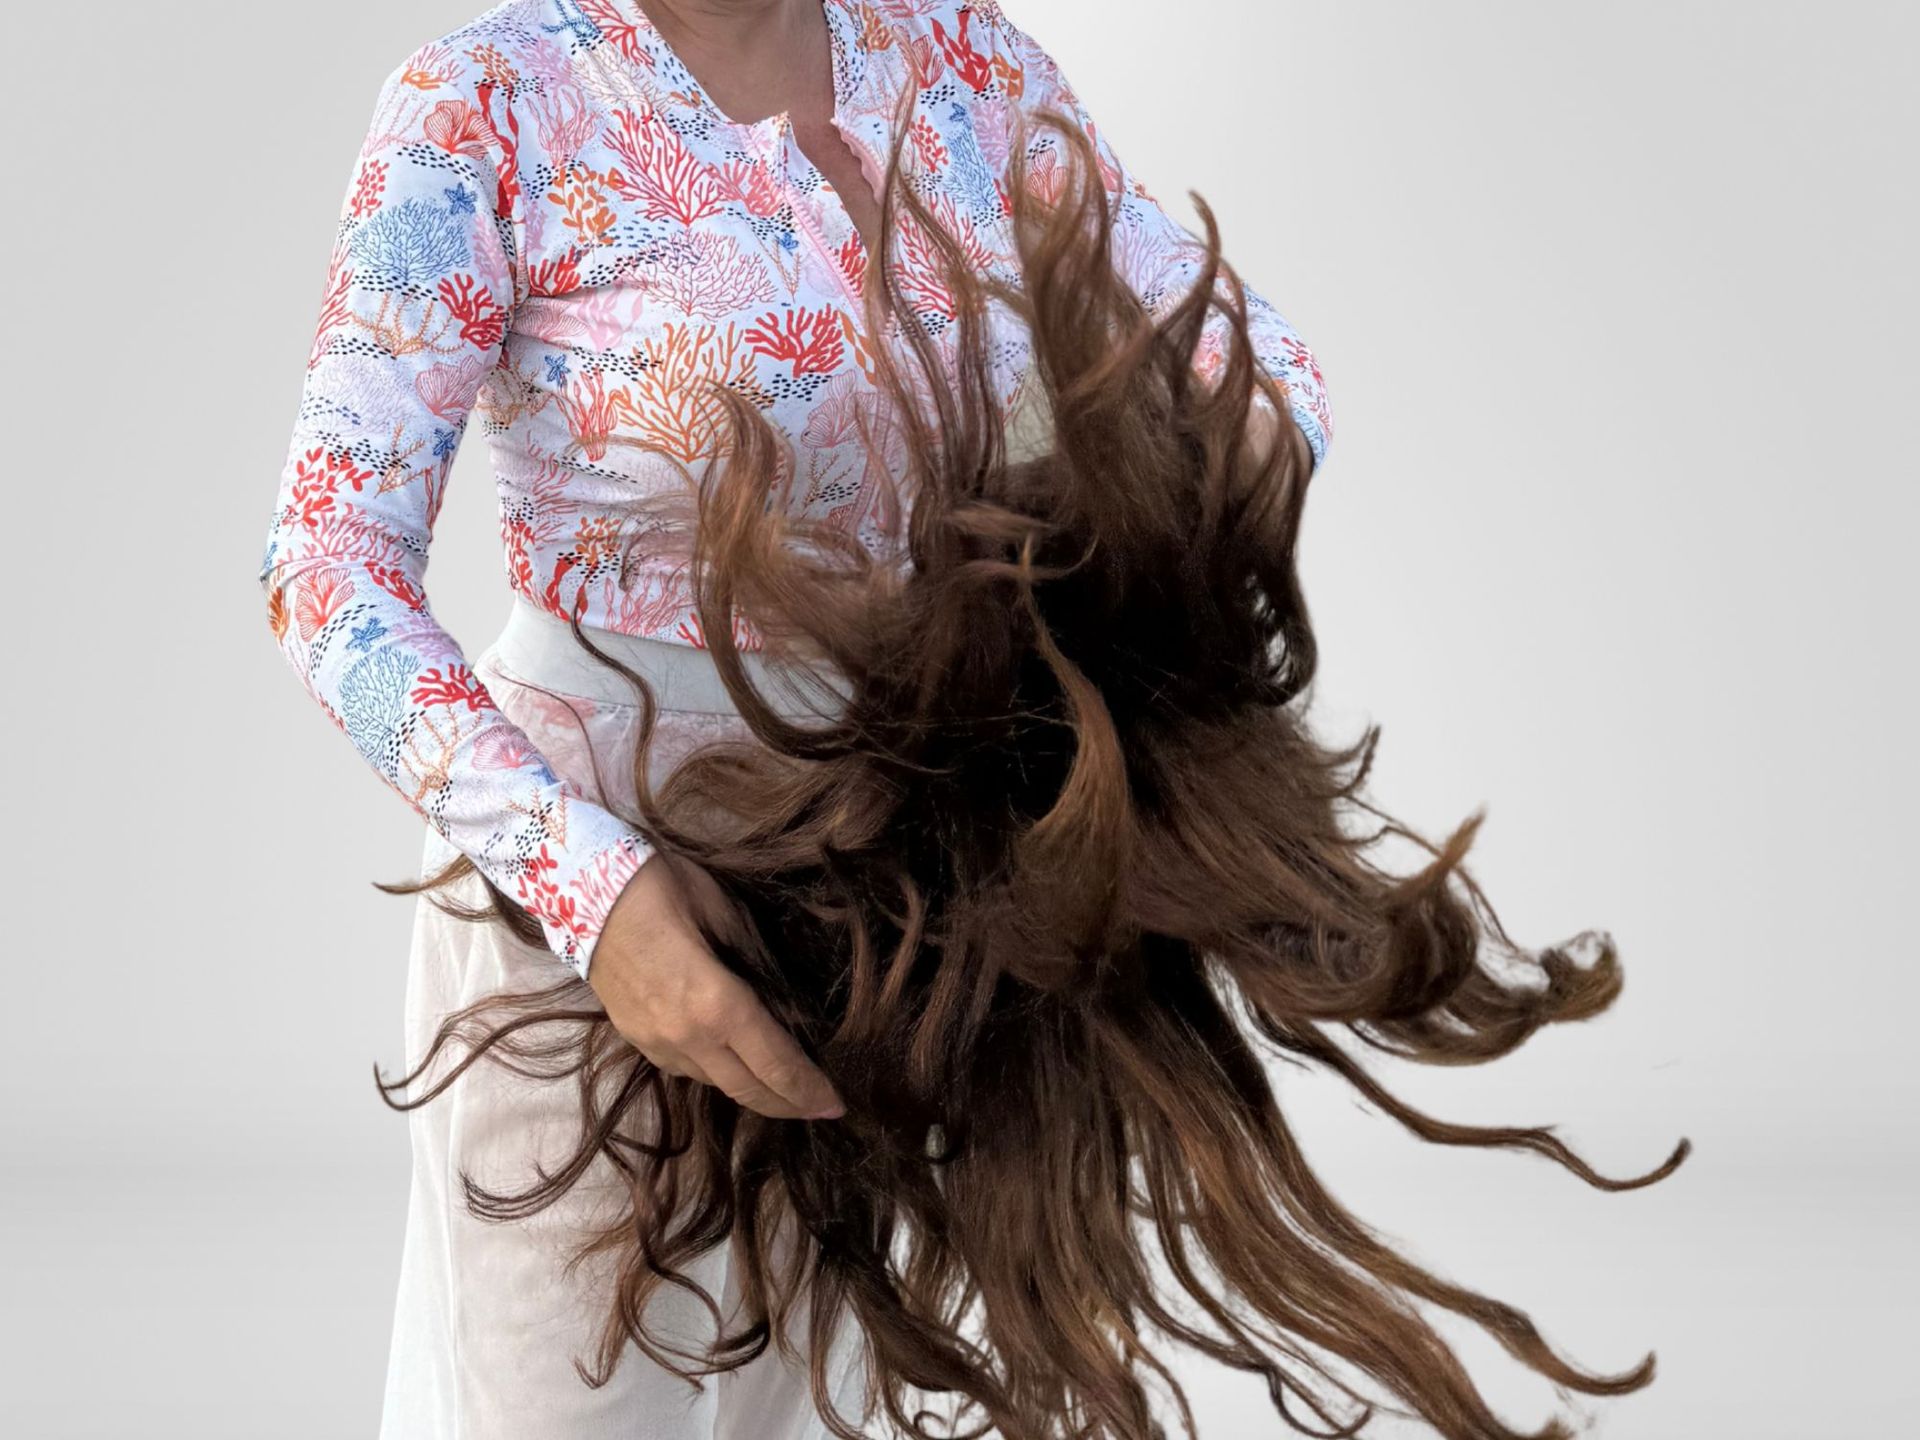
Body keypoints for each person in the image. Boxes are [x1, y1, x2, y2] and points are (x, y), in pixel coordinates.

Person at [256, 2, 1334, 1435]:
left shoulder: (956, 56)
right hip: (597, 882)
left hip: (887, 894)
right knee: (568, 1406)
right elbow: (325, 570)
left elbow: (1256, 369)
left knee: (803, 1408)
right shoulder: (486, 105)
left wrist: (1159, 514)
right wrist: (595, 901)